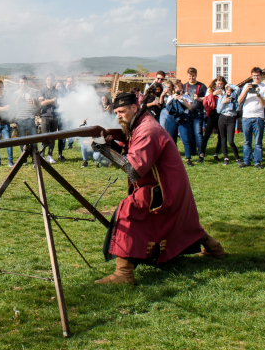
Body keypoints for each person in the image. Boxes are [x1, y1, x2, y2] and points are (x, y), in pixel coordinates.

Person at [93, 92, 224, 285]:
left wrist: (104, 149)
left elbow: (133, 169)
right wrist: (112, 144)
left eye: (121, 111)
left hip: (164, 187)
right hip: (167, 183)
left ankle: (124, 273)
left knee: (129, 211)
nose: (118, 116)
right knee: (183, 223)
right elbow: (132, 154)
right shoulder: (140, 124)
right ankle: (214, 248)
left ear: (134, 108)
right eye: (116, 112)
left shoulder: (147, 129)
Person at [237, 67, 265, 168]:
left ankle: (257, 161)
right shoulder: (246, 86)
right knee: (247, 141)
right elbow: (239, 100)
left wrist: (258, 94)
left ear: (261, 76)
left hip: (258, 117)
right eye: (254, 76)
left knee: (257, 142)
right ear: (251, 76)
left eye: (258, 76)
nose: (256, 78)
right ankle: (246, 161)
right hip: (246, 117)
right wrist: (246, 90)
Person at [183, 68, 207, 164]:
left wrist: (199, 98)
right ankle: (192, 152)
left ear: (196, 75)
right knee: (190, 133)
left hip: (198, 112)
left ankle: (201, 154)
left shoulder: (201, 86)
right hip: (188, 113)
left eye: (193, 76)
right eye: (190, 76)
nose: (191, 78)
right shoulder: (185, 86)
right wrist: (184, 95)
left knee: (198, 133)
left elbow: (207, 98)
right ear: (187, 75)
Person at [213, 76, 240, 165]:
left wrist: (230, 84)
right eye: (227, 91)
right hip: (222, 118)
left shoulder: (234, 96)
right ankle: (226, 158)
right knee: (223, 139)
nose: (228, 92)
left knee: (231, 141)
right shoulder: (222, 97)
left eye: (230, 91)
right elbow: (218, 110)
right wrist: (223, 102)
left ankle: (237, 158)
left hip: (231, 118)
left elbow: (238, 89)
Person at [38, 74, 64, 162]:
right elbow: (41, 103)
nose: (50, 81)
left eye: (51, 80)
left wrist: (47, 101)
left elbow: (59, 104)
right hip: (45, 116)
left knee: (52, 137)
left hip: (55, 116)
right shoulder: (42, 91)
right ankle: (41, 156)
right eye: (48, 80)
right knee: (44, 137)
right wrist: (53, 100)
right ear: (46, 81)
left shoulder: (57, 92)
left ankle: (50, 155)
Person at [200, 78, 221, 161]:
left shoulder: (225, 90)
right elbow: (205, 100)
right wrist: (213, 94)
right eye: (217, 83)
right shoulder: (210, 90)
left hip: (220, 114)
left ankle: (216, 154)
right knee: (207, 134)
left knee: (221, 136)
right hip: (212, 114)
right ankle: (201, 154)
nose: (219, 85)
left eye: (221, 83)